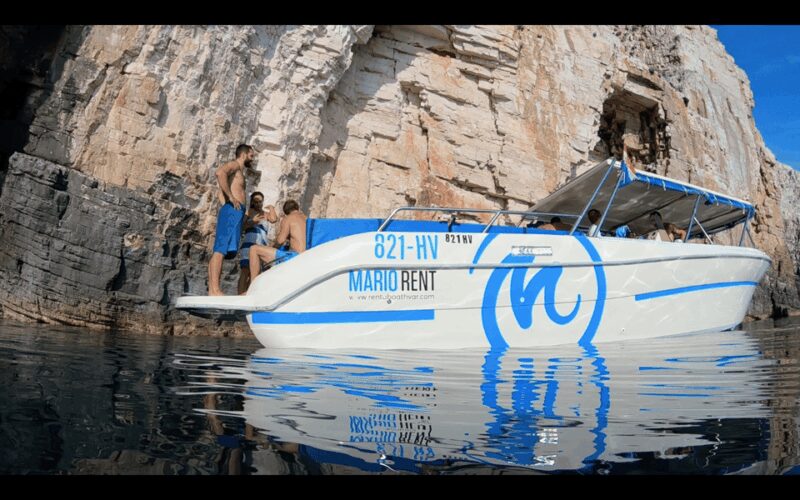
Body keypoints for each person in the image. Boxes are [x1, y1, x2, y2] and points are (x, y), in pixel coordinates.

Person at [208, 144, 255, 296]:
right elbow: (219, 173)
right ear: (244, 154)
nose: (252, 159)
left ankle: (213, 289)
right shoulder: (234, 165)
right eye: (251, 155)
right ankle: (214, 289)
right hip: (231, 210)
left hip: (236, 212)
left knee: (222, 249)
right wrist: (230, 198)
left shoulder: (240, 171)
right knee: (220, 250)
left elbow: (220, 191)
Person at [248, 199, 308, 283]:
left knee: (254, 249)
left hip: (294, 257)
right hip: (307, 256)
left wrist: (271, 248)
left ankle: (252, 286)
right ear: (297, 208)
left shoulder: (288, 219)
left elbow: (280, 241)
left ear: (286, 212)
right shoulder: (307, 219)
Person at [237, 192, 278, 294]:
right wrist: (252, 222)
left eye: (260, 201)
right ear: (252, 202)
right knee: (245, 270)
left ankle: (248, 293)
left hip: (261, 246)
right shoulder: (249, 212)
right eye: (256, 201)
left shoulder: (265, 214)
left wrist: (271, 208)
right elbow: (241, 227)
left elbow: (273, 219)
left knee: (254, 272)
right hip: (249, 243)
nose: (258, 203)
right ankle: (239, 295)